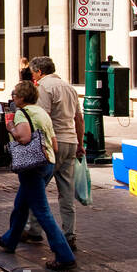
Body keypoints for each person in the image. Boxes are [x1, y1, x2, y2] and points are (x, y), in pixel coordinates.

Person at [0, 80, 77, 271]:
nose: (13, 97)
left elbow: (24, 137)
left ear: (21, 97)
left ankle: (64, 254)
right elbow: (54, 143)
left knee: (42, 211)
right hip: (47, 162)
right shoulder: (42, 113)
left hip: (31, 167)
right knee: (21, 205)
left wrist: (11, 127)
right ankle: (10, 239)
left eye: (15, 94)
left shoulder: (23, 114)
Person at [23, 56, 85, 248]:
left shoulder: (44, 87)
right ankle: (70, 233)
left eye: (33, 72)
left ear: (39, 72)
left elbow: (42, 118)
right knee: (66, 192)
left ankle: (34, 230)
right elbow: (79, 119)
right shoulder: (69, 88)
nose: (33, 76)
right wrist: (80, 144)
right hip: (71, 141)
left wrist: (38, 143)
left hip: (53, 142)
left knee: (36, 187)